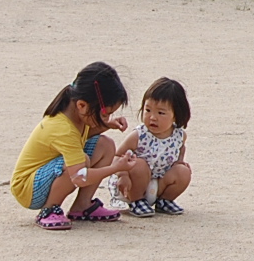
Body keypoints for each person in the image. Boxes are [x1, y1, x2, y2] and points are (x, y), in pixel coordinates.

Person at [10, 61, 136, 230]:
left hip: (43, 178)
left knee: (105, 145)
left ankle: (82, 206)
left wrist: (107, 124)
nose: (107, 118)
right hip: (28, 189)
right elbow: (79, 176)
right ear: (82, 105)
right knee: (80, 161)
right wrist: (116, 168)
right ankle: (48, 210)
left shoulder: (77, 116)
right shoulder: (63, 128)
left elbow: (81, 138)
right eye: (105, 114)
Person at [110, 77, 192, 217]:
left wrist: (179, 162)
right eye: (148, 110)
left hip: (158, 183)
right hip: (132, 185)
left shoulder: (179, 135)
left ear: (176, 115)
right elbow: (117, 156)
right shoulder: (139, 135)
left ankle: (164, 200)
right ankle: (136, 202)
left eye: (161, 113)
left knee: (183, 171)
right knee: (139, 165)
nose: (152, 117)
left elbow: (181, 148)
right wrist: (123, 175)